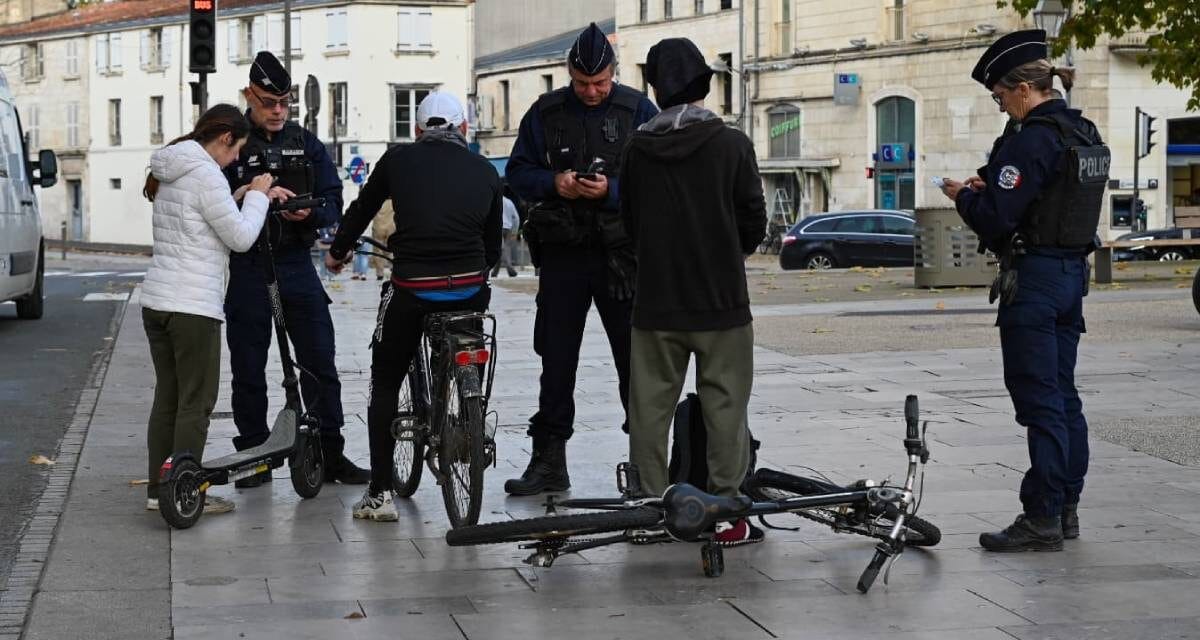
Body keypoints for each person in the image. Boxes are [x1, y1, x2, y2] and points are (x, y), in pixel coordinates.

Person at [939, 29, 1108, 552]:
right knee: (1064, 396)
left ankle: (1041, 517)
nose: (1001, 108)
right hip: (1070, 276)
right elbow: (1049, 194)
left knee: (1040, 403)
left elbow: (996, 218)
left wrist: (962, 198)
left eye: (999, 98)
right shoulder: (1081, 131)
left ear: (1022, 90)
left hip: (1033, 282)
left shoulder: (1031, 136)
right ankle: (1066, 506)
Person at [325, 92, 502, 521]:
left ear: (417, 131)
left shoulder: (397, 161)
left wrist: (338, 251)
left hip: (412, 286)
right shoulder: (486, 170)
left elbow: (363, 208)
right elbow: (493, 249)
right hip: (469, 288)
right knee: (468, 331)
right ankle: (466, 408)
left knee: (385, 377)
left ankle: (380, 493)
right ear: (463, 129)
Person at [621, 38, 767, 546]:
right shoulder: (732, 144)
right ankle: (728, 514)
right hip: (721, 302)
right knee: (724, 407)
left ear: (656, 89)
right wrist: (727, 253)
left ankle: (650, 509)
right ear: (704, 85)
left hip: (657, 302)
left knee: (648, 410)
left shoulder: (638, 150)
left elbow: (630, 222)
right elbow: (754, 219)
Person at [503, 22, 659, 495]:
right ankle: (549, 461)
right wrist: (556, 184)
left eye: (600, 83)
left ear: (614, 73)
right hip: (564, 255)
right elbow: (517, 173)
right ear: (568, 74)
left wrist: (611, 191)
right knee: (556, 361)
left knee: (636, 364)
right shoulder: (546, 112)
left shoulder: (638, 110)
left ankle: (646, 467)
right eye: (582, 83)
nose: (591, 92)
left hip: (620, 259)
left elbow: (660, 181)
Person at [223, 51, 369, 487]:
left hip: (294, 261)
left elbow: (333, 198)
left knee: (319, 359)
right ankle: (254, 454)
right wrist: (252, 193)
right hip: (250, 263)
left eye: (285, 102)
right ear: (249, 95)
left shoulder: (305, 142)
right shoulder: (231, 142)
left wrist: (308, 214)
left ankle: (330, 452)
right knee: (248, 363)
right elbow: (212, 195)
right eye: (268, 101)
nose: (278, 111)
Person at [141, 104, 273, 514]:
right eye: (235, 152)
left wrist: (235, 196)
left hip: (158, 301)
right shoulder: (205, 173)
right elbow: (240, 237)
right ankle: (187, 492)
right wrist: (258, 197)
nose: (235, 160)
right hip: (192, 307)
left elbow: (197, 220)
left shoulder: (174, 167)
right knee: (196, 404)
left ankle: (157, 491)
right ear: (225, 138)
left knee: (168, 398)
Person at [491, 194, 520, 278]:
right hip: (508, 228)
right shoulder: (509, 202)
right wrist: (515, 231)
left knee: (502, 249)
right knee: (504, 248)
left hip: (498, 228)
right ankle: (495, 272)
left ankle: (510, 270)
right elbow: (516, 217)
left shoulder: (494, 201)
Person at [370, 200, 396, 281]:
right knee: (391, 248)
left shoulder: (377, 200)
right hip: (391, 227)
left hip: (378, 227)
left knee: (377, 251)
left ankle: (380, 273)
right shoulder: (392, 201)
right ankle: (392, 266)